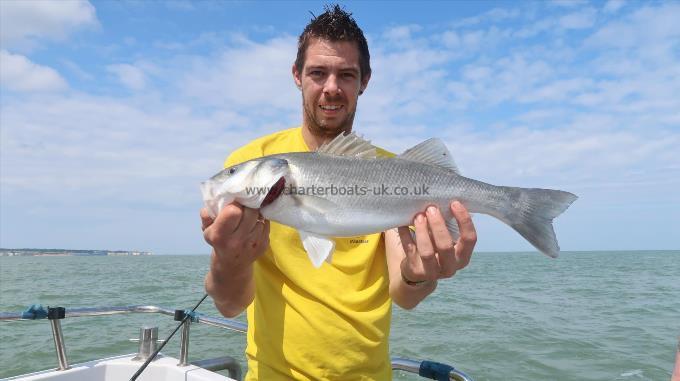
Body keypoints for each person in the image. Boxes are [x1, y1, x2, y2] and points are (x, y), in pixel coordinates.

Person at [201, 5, 477, 380]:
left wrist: (419, 273)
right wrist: (227, 257)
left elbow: (405, 293)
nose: (331, 87)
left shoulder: (392, 170)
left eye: (346, 74)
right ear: (297, 75)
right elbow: (230, 305)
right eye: (318, 72)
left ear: (364, 80)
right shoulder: (253, 158)